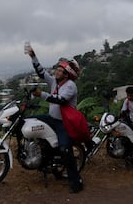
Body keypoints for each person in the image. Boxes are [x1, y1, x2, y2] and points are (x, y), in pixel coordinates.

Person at [26, 46, 84, 193]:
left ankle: (76, 182)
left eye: (60, 70)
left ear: (67, 74)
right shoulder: (54, 82)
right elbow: (41, 73)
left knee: (65, 149)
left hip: (64, 123)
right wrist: (33, 56)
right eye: (57, 69)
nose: (56, 71)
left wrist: (41, 95)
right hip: (51, 118)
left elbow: (60, 100)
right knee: (28, 120)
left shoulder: (70, 86)